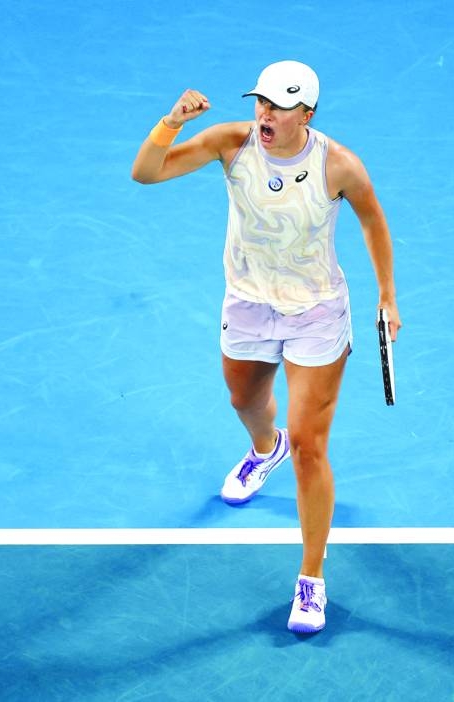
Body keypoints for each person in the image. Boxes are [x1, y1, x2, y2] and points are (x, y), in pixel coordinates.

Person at [131, 60, 400, 633]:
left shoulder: (338, 165)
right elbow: (145, 174)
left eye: (278, 106)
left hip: (316, 313)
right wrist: (170, 122)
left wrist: (387, 296)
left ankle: (310, 580)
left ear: (306, 113)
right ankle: (264, 447)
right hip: (248, 302)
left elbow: (374, 221)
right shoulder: (232, 143)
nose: (264, 114)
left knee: (310, 446)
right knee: (243, 399)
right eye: (261, 101)